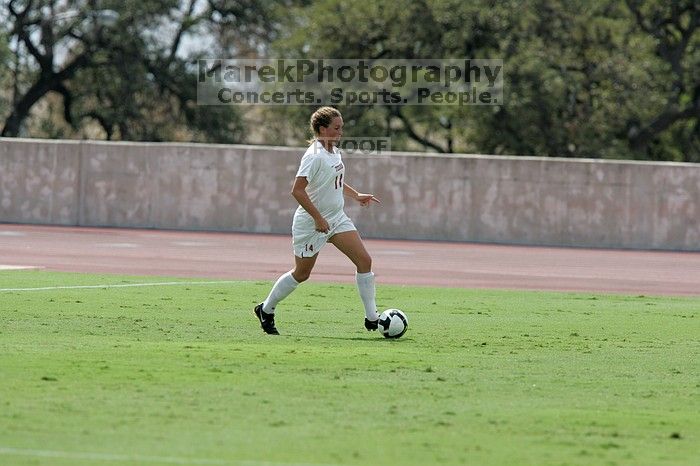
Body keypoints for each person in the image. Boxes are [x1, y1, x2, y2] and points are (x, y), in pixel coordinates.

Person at [254, 106, 381, 335]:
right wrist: (318, 218)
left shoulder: (334, 151)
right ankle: (266, 308)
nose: (341, 132)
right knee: (302, 274)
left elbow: (335, 181)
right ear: (322, 129)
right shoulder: (314, 156)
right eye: (336, 128)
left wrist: (356, 195)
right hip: (311, 224)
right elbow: (297, 191)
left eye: (341, 127)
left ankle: (372, 318)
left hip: (337, 218)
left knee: (364, 261)